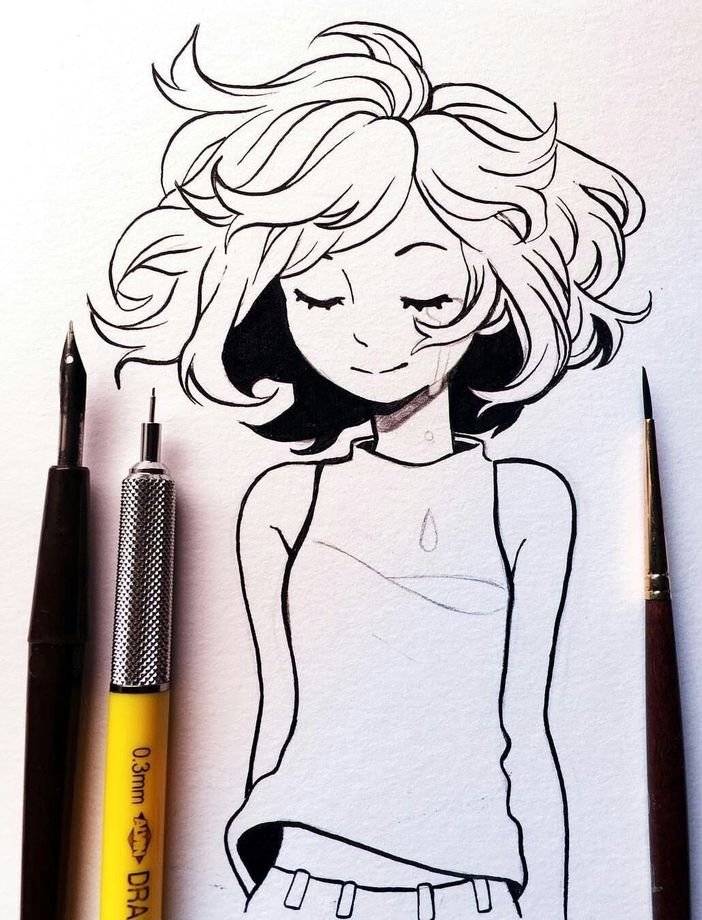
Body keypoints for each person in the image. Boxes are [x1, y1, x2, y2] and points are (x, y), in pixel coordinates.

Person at [93, 21, 648, 919]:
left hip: (468, 897)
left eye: (425, 295)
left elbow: (527, 733)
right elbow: (275, 720)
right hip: (299, 892)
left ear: (499, 293)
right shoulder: (284, 501)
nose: (369, 334)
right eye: (320, 295)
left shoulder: (526, 502)